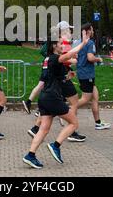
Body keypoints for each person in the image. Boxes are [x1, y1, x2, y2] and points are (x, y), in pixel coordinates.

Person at [22, 29, 90, 169]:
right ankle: (56, 145)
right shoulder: (54, 57)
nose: (62, 45)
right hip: (53, 98)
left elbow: (52, 78)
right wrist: (83, 43)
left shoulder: (47, 60)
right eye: (59, 43)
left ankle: (30, 155)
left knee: (44, 129)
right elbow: (70, 55)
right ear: (53, 45)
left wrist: (67, 77)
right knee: (73, 123)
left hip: (44, 97)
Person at [77, 23, 111, 130]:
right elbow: (90, 57)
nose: (93, 32)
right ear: (87, 31)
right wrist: (98, 59)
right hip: (87, 74)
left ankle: (98, 122)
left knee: (95, 97)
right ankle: (65, 110)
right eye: (91, 30)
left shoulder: (79, 42)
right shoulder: (90, 42)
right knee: (85, 99)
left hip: (83, 73)